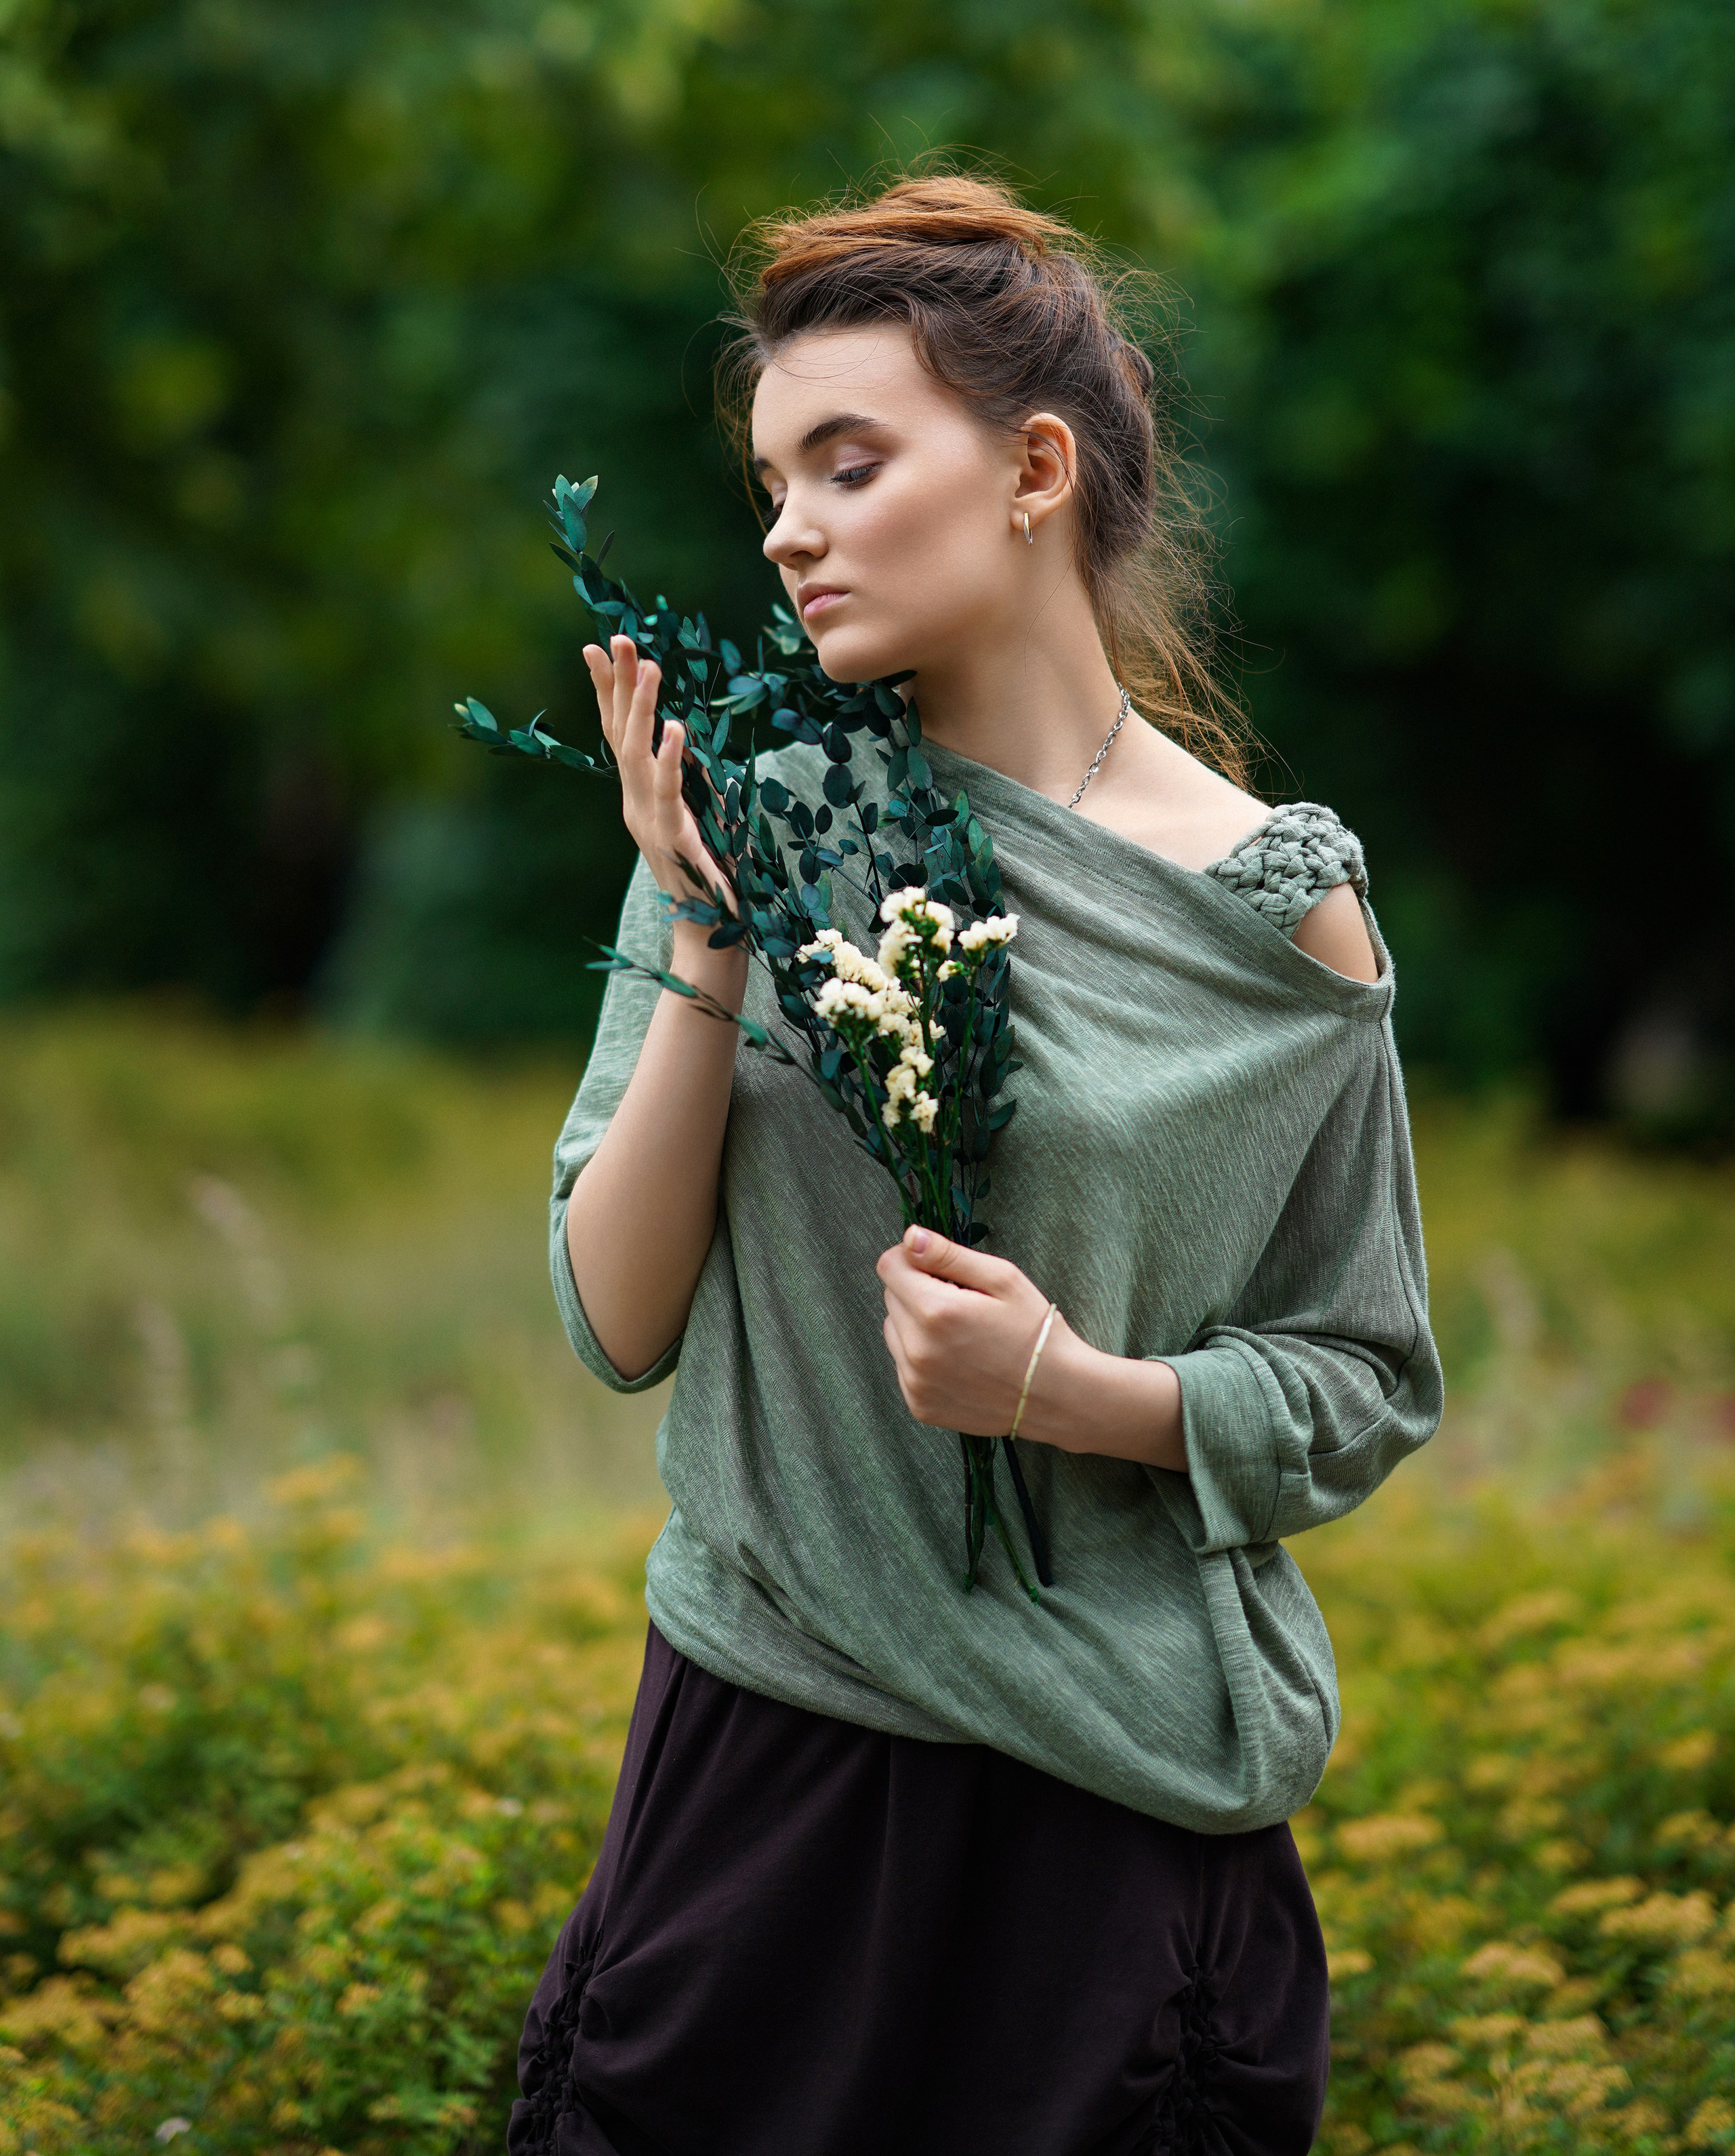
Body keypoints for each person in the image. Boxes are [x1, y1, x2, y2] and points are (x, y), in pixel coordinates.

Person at [509, 176, 1443, 2156]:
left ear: (1032, 466)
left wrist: (1077, 1397)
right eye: (773, 478)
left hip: (1111, 1844)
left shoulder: (1283, 912)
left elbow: (1365, 1374)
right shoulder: (761, 819)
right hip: (761, 1791)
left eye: (848, 462)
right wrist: (703, 945)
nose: (787, 527)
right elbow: (613, 1315)